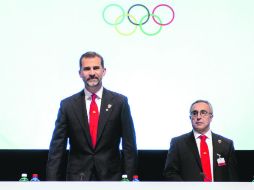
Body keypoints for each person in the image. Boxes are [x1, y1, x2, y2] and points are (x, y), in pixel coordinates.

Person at [46, 51, 138, 181]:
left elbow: (129, 146)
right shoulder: (67, 105)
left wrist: (131, 180)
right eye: (87, 69)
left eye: (96, 68)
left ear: (104, 71)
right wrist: (51, 184)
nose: (92, 73)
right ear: (80, 73)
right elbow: (57, 149)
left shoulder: (119, 102)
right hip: (77, 179)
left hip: (111, 178)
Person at [163, 100, 238, 181]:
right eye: (194, 113)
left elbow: (232, 177)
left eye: (203, 112)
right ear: (190, 118)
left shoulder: (226, 144)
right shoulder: (178, 143)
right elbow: (170, 173)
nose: (198, 117)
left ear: (211, 117)